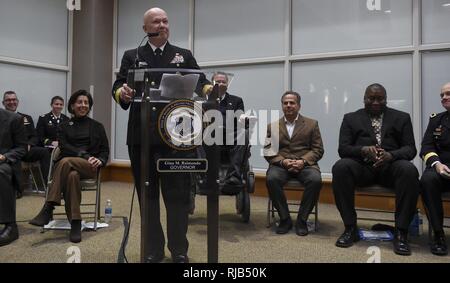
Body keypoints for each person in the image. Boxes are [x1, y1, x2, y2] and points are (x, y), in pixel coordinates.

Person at [112, 7, 209, 263]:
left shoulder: (183, 55)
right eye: (157, 21)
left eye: (166, 20)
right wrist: (122, 93)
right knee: (149, 197)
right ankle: (153, 250)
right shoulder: (132, 56)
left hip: (175, 137)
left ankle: (179, 250)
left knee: (177, 197)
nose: (163, 24)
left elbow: (202, 81)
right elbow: (118, 87)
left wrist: (211, 87)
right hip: (141, 138)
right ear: (146, 29)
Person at [332, 83, 420, 256]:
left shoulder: (401, 117)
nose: (375, 102)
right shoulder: (351, 118)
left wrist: (391, 155)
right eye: (371, 98)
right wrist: (363, 150)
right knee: (341, 167)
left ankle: (401, 232)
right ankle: (350, 228)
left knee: (409, 170)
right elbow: (343, 149)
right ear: (364, 98)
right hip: (363, 168)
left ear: (386, 99)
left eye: (380, 98)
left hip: (390, 168)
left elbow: (410, 149)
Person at [29, 90, 109, 243]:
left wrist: (101, 160)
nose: (83, 105)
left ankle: (49, 206)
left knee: (65, 162)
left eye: (86, 102)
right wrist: (84, 155)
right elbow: (64, 147)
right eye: (79, 102)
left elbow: (105, 150)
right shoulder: (64, 126)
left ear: (89, 106)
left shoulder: (97, 126)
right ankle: (76, 223)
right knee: (72, 175)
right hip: (70, 168)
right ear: (72, 105)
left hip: (89, 166)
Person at [264, 91, 324, 236]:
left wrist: (303, 161)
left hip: (306, 165)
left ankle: (302, 220)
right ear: (282, 105)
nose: (289, 105)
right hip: (281, 165)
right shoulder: (272, 126)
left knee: (315, 180)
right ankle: (285, 219)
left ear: (299, 105)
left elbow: (318, 149)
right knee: (271, 179)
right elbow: (268, 150)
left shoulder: (312, 124)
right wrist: (283, 161)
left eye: (292, 103)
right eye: (286, 103)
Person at [419, 82, 450, 256]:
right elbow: (426, 148)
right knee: (427, 180)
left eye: (448, 94)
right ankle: (438, 234)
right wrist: (437, 164)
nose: (444, 97)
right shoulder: (436, 120)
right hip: (442, 168)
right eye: (442, 95)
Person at [2, 91, 51, 196]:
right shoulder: (2, 119)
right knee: (14, 158)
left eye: (14, 99)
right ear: (3, 103)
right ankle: (17, 189)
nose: (11, 102)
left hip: (26, 149)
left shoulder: (26, 117)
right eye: (8, 100)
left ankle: (47, 186)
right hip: (9, 151)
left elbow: (34, 136)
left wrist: (29, 144)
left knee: (44, 152)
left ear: (17, 102)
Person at [208, 72, 248, 194]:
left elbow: (241, 120)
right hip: (208, 136)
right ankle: (204, 175)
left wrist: (244, 119)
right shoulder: (202, 100)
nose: (220, 84)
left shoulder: (236, 101)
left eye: (223, 82)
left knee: (244, 133)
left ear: (227, 84)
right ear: (211, 84)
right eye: (217, 81)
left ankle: (234, 176)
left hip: (229, 136)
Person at [0, 108, 26, 247]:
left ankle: (11, 226)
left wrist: (4, 157)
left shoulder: (13, 119)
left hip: (6, 163)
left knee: (1, 172)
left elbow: (22, 148)